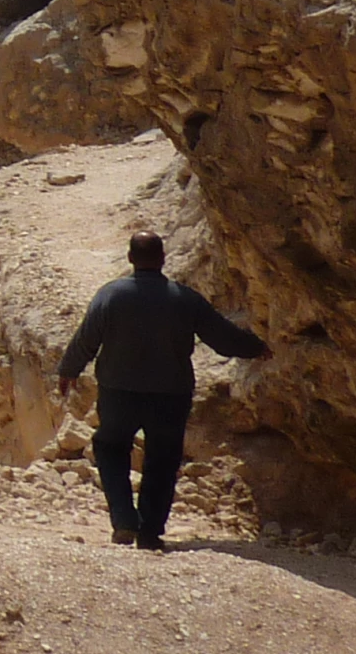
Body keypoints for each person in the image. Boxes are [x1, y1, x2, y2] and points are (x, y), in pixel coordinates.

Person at [57, 229, 271, 550]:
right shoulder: (184, 298)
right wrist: (257, 347)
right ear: (162, 259)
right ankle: (150, 532)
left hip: (119, 391)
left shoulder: (111, 295)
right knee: (163, 458)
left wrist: (68, 370)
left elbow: (87, 339)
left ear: (130, 258)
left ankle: (124, 520)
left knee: (110, 448)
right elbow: (222, 338)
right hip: (171, 395)